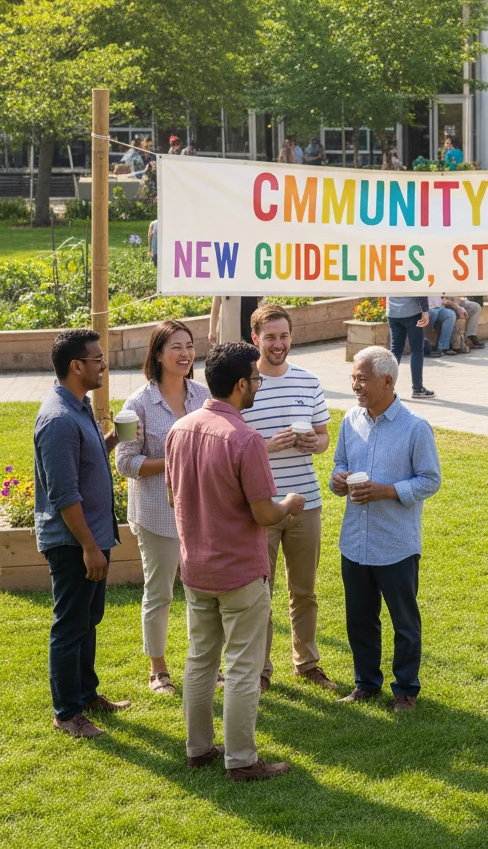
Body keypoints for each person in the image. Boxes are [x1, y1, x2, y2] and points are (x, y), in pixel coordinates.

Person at [165, 342, 305, 781]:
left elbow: (175, 496)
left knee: (200, 659)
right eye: (257, 379)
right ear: (242, 384)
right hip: (240, 573)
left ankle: (199, 749)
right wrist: (291, 504)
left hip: (195, 570)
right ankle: (242, 761)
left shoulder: (180, 429)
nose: (259, 385)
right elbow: (265, 513)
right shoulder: (245, 439)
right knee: (243, 668)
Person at [330, 347, 442, 712]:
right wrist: (339, 480)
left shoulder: (415, 428)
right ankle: (366, 683)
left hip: (396, 544)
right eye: (354, 377)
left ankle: (406, 688)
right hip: (355, 542)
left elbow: (430, 480)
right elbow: (340, 465)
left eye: (362, 379)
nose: (355, 385)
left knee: (404, 621)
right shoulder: (350, 420)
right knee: (360, 619)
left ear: (387, 381)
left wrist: (388, 491)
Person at [34, 329, 130, 738]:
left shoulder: (80, 406)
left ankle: (87, 695)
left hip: (93, 538)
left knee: (88, 619)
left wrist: (111, 440)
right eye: (97, 360)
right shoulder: (57, 419)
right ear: (76, 366)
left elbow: (84, 465)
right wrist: (90, 548)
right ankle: (67, 712)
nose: (103, 365)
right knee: (70, 624)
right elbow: (64, 495)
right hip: (74, 543)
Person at [241, 306, 336, 693]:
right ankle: (261, 671)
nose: (278, 344)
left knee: (305, 591)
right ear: (255, 340)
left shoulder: (308, 381)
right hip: (261, 508)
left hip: (306, 503)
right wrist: (266, 446)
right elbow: (235, 447)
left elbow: (324, 437)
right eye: (270, 338)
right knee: (259, 593)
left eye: (283, 336)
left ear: (291, 338)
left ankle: (307, 663)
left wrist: (316, 443)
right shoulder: (245, 384)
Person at [115, 321, 209, 696]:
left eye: (189, 346)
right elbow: (125, 463)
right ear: (157, 354)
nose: (185, 354)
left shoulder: (203, 395)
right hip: (157, 513)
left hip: (202, 511)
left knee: (202, 592)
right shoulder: (134, 406)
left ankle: (203, 665)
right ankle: (158, 671)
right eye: (176, 347)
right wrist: (174, 461)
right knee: (160, 593)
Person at [386, 295, 434, 398]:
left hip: (392, 312)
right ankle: (417, 389)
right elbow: (419, 287)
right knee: (416, 349)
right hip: (412, 312)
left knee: (395, 350)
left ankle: (386, 388)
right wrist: (425, 310)